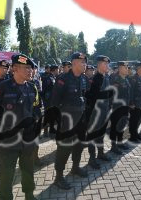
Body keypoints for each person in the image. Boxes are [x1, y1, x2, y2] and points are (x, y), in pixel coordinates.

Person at [0, 54, 40, 200]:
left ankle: (29, 194)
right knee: (6, 173)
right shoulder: (1, 87)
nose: (30, 71)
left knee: (28, 169)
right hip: (8, 140)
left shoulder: (32, 88)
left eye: (31, 68)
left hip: (27, 139)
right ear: (15, 68)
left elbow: (35, 110)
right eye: (27, 68)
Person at [50, 52, 88, 190]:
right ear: (74, 63)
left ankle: (75, 168)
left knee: (79, 145)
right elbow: (54, 101)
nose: (85, 64)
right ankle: (58, 177)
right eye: (82, 62)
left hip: (81, 118)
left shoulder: (84, 79)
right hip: (67, 120)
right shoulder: (63, 79)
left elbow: (85, 96)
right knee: (64, 148)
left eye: (85, 62)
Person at [87, 55, 112, 169]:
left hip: (105, 110)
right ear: (99, 65)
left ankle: (100, 153)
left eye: (108, 64)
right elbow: (91, 96)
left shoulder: (106, 77)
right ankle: (92, 159)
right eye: (105, 64)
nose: (107, 66)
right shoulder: (94, 78)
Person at [110, 61, 131, 154]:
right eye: (125, 67)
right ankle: (114, 146)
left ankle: (119, 142)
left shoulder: (126, 79)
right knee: (116, 126)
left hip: (125, 107)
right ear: (119, 68)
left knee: (122, 125)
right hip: (117, 108)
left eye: (127, 67)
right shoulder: (115, 79)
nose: (127, 69)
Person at [128, 61, 141, 142]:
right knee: (133, 121)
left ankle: (136, 134)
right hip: (135, 104)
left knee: (138, 120)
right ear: (138, 69)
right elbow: (131, 92)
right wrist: (131, 103)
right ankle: (132, 136)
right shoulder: (134, 79)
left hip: (140, 103)